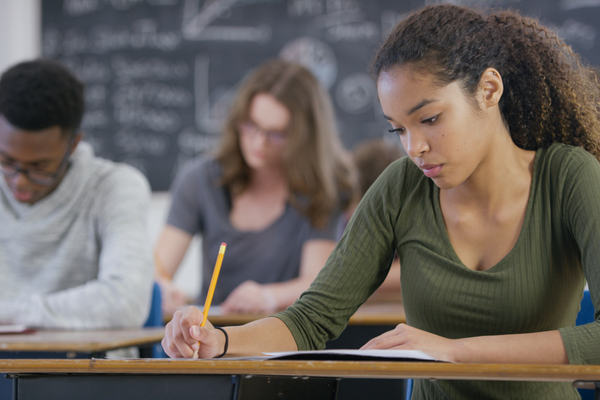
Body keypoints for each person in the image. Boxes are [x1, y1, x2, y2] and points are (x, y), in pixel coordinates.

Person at [162, 4, 600, 399]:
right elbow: (310, 320)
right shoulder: (402, 186)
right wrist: (219, 341)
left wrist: (450, 352)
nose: (415, 148)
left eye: (430, 119)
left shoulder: (569, 178)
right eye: (399, 129)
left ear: (489, 89)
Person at [154, 59, 356, 315]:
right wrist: (161, 288)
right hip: (209, 337)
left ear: (304, 136)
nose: (259, 142)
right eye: (251, 125)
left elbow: (316, 283)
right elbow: (159, 269)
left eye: (276, 133)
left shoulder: (323, 189)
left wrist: (269, 297)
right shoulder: (200, 179)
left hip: (283, 340)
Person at [0, 59, 154, 329]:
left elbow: (126, 302)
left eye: (39, 166)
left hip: (86, 367)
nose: (20, 181)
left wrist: (9, 313)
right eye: (7, 161)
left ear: (73, 144)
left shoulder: (114, 187)